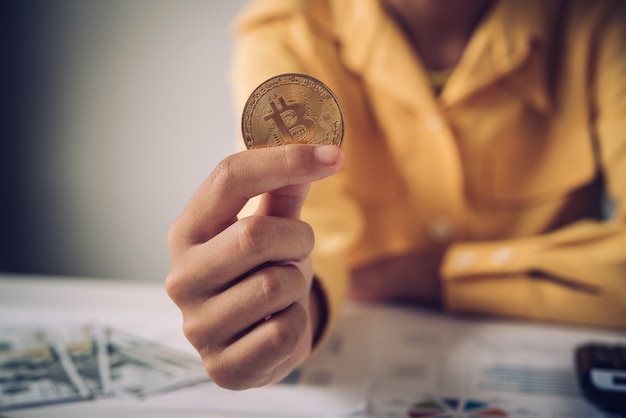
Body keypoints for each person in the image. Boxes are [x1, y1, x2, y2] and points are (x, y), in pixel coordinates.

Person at [166, 0, 626, 390]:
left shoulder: (603, 19)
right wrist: (285, 313)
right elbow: (309, 240)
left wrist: (435, 274)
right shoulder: (288, 30)